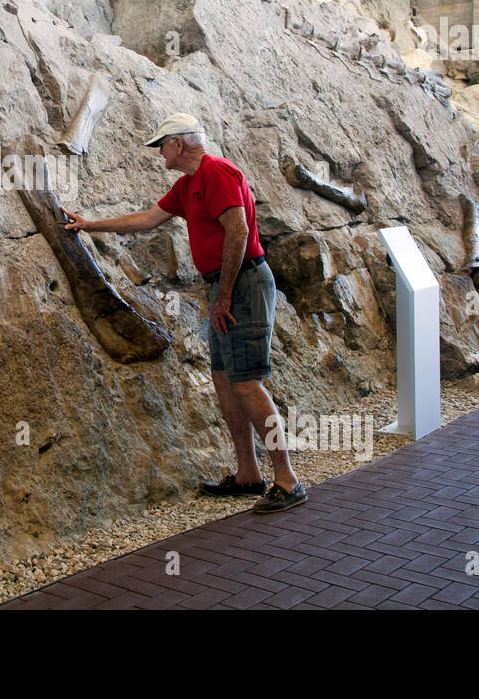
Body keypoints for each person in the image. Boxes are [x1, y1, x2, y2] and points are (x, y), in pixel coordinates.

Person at [62, 113, 306, 513]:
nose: (160, 154)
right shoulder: (188, 185)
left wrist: (224, 295)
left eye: (162, 146)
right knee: (225, 379)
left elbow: (239, 232)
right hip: (224, 286)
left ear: (178, 144)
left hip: (242, 284)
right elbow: (147, 219)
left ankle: (287, 479)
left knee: (247, 383)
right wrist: (90, 225)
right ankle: (249, 473)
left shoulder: (217, 173)